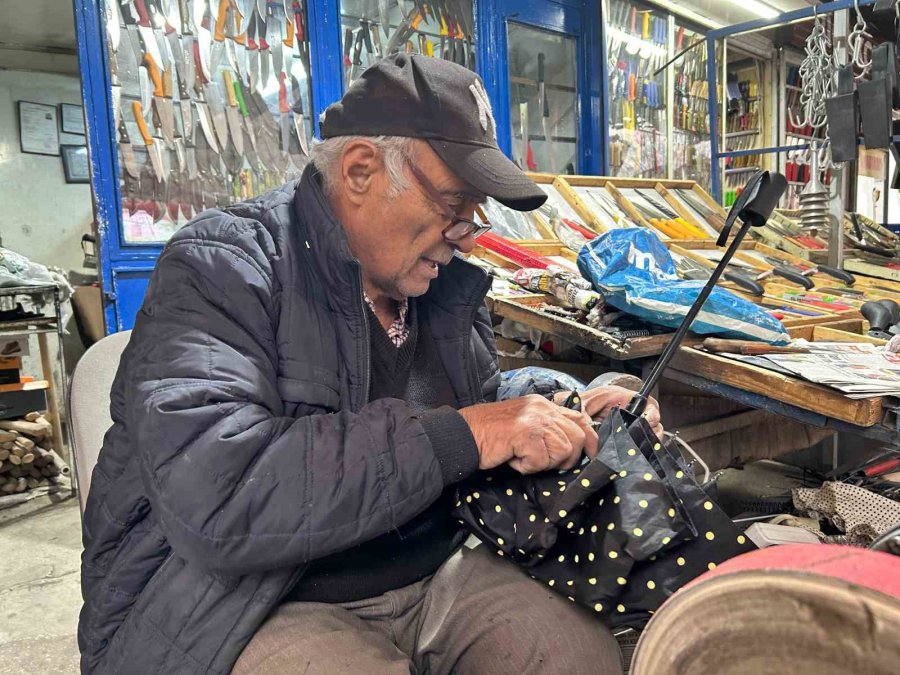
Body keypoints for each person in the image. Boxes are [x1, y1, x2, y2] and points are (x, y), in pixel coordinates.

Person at [78, 54, 662, 675]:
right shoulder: (221, 267)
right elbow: (217, 491)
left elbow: (479, 395)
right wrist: (472, 431)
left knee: (574, 655)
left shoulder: (436, 286)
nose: (468, 233)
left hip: (432, 569)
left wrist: (566, 402)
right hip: (257, 596)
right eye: (455, 202)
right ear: (360, 170)